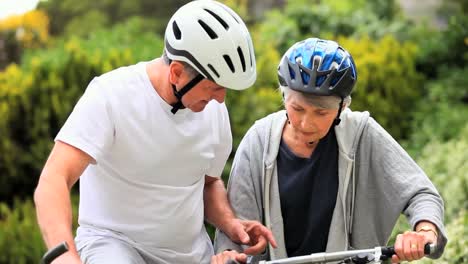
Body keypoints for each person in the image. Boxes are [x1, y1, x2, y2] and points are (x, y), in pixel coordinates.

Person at [34, 1, 277, 263]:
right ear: (177, 72)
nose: (221, 99)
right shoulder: (111, 95)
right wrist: (64, 257)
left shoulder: (214, 111)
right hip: (113, 245)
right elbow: (54, 180)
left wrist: (231, 223)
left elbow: (208, 183)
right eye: (215, 87)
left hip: (190, 255)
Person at [214, 38, 447, 263]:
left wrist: (424, 231)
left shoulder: (362, 135)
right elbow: (234, 227)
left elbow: (421, 194)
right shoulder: (258, 142)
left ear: (342, 107)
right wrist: (229, 253)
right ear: (284, 97)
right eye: (297, 108)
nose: (306, 123)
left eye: (321, 113)